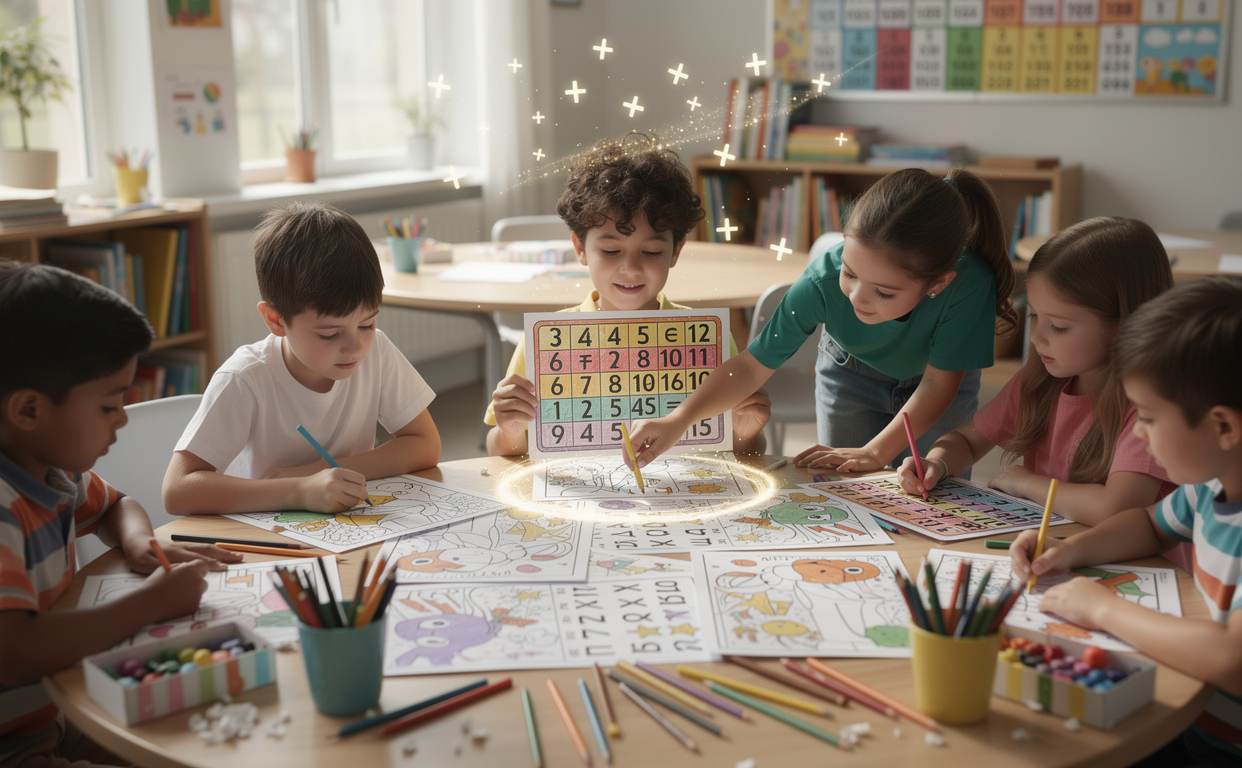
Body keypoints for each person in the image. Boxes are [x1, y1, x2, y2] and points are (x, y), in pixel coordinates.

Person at [1010, 276, 1242, 768]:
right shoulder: (1217, 482)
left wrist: (1102, 610)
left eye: (1147, 416)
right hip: (1200, 718)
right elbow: (1150, 524)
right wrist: (1069, 550)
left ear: (1224, 427)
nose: (1139, 435)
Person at [0, 260, 227, 768]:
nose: (122, 419)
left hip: (56, 713)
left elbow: (117, 507)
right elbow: (10, 652)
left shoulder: (44, 465)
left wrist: (140, 544)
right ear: (30, 410)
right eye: (109, 405)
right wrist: (150, 604)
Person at [626, 166, 1016, 472]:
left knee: (932, 489)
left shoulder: (967, 285)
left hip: (938, 388)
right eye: (850, 271)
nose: (856, 296)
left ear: (938, 283)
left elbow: (937, 384)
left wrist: (877, 452)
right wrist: (677, 420)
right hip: (850, 374)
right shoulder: (820, 281)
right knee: (846, 489)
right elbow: (749, 367)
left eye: (884, 291)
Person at [485, 132, 770, 457]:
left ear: (675, 251)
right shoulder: (545, 341)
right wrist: (509, 430)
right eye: (610, 250)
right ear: (580, 249)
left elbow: (747, 451)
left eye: (650, 252)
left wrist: (746, 434)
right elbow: (501, 451)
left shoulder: (709, 340)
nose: (631, 268)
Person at [164, 202, 441, 515]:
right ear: (276, 320)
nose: (355, 347)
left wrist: (317, 470)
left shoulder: (376, 350)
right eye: (329, 334)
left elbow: (425, 443)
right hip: (264, 534)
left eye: (367, 324)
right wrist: (299, 489)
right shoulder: (246, 378)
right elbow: (177, 490)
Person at [897, 217, 1176, 527]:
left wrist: (1028, 484)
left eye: (1058, 326)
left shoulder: (1152, 406)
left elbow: (1116, 510)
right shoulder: (1041, 377)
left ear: (1126, 326)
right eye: (1034, 315)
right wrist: (937, 463)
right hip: (1057, 547)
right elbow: (967, 440)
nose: (1037, 337)